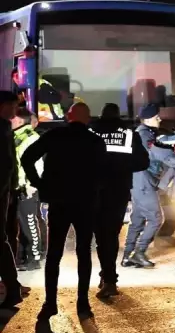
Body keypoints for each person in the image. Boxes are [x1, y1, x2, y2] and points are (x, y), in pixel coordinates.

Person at [21, 102, 109, 320]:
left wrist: (40, 184)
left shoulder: (54, 135)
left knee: (54, 254)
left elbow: (27, 158)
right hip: (85, 202)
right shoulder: (95, 141)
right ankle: (83, 303)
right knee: (84, 253)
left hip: (59, 201)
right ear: (87, 119)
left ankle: (50, 303)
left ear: (69, 117)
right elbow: (103, 172)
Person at [89, 103, 149, 298]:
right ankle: (109, 278)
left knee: (100, 236)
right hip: (119, 190)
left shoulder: (92, 132)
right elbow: (143, 162)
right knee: (112, 235)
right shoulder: (130, 134)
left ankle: (107, 277)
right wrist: (123, 166)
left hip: (95, 190)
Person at [123, 104, 175, 268]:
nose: (159, 119)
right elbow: (158, 153)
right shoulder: (144, 135)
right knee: (156, 218)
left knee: (137, 219)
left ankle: (127, 256)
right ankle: (139, 252)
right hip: (143, 182)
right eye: (157, 117)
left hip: (139, 181)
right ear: (148, 119)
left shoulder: (144, 133)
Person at [12, 107, 45, 271]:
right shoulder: (18, 136)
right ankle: (23, 257)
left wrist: (32, 185)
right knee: (22, 224)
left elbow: (37, 164)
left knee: (30, 223)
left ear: (18, 120)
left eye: (12, 118)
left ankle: (34, 258)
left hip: (27, 188)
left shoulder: (30, 138)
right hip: (18, 187)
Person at [0, 91, 24, 309]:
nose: (15, 111)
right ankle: (12, 288)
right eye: (13, 106)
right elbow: (9, 164)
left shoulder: (4, 128)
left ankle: (12, 288)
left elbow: (8, 164)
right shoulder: (4, 128)